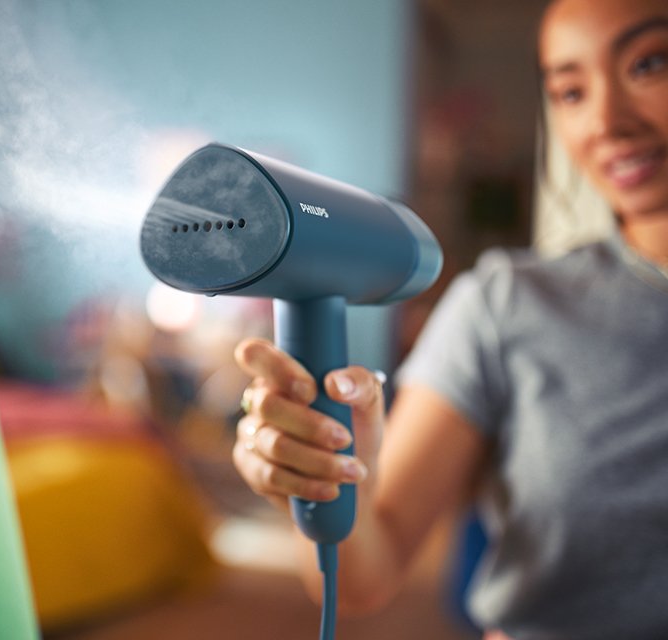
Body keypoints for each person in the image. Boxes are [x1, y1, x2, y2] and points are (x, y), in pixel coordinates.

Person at [230, 0, 668, 638]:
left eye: (650, 63)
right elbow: (361, 582)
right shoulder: (506, 305)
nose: (606, 122)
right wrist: (322, 479)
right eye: (570, 91)